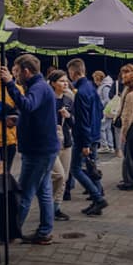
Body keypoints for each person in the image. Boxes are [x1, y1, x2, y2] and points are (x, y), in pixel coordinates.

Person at [1, 54, 60, 245]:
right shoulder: (39, 87)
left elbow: (28, 106)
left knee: (24, 192)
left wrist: (10, 84)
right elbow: (35, 113)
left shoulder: (39, 87)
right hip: (43, 148)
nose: (15, 75)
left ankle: (10, 232)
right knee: (43, 191)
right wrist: (18, 121)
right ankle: (44, 232)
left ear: (26, 71)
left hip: (38, 151)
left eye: (16, 71)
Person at [66, 59, 107, 210]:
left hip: (84, 136)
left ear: (74, 72)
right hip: (94, 134)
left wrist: (85, 143)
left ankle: (98, 197)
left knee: (76, 169)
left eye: (69, 73)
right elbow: (100, 110)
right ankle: (98, 197)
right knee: (91, 166)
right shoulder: (91, 88)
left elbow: (83, 120)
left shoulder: (81, 93)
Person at [47, 70, 75, 221]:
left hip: (66, 141)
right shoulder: (48, 99)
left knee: (63, 178)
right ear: (52, 83)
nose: (65, 84)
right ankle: (48, 206)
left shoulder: (69, 99)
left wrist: (68, 116)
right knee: (58, 175)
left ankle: (56, 208)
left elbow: (73, 123)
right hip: (51, 143)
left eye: (66, 81)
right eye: (61, 81)